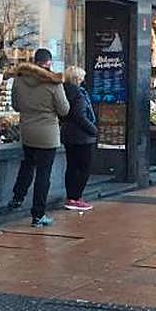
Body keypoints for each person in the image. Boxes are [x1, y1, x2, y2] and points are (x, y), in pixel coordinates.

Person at [6, 48, 69, 227]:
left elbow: (16, 105)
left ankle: (17, 198)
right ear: (48, 63)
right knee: (44, 174)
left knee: (27, 165)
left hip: (27, 131)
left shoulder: (19, 80)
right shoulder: (53, 82)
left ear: (34, 62)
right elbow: (64, 109)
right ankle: (38, 214)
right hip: (47, 134)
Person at [60, 65, 97, 212]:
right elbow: (80, 115)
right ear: (77, 79)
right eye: (81, 77)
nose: (83, 80)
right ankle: (76, 197)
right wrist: (93, 129)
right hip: (82, 136)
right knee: (84, 167)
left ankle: (71, 197)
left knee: (72, 166)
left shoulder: (62, 91)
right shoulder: (79, 94)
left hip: (68, 134)